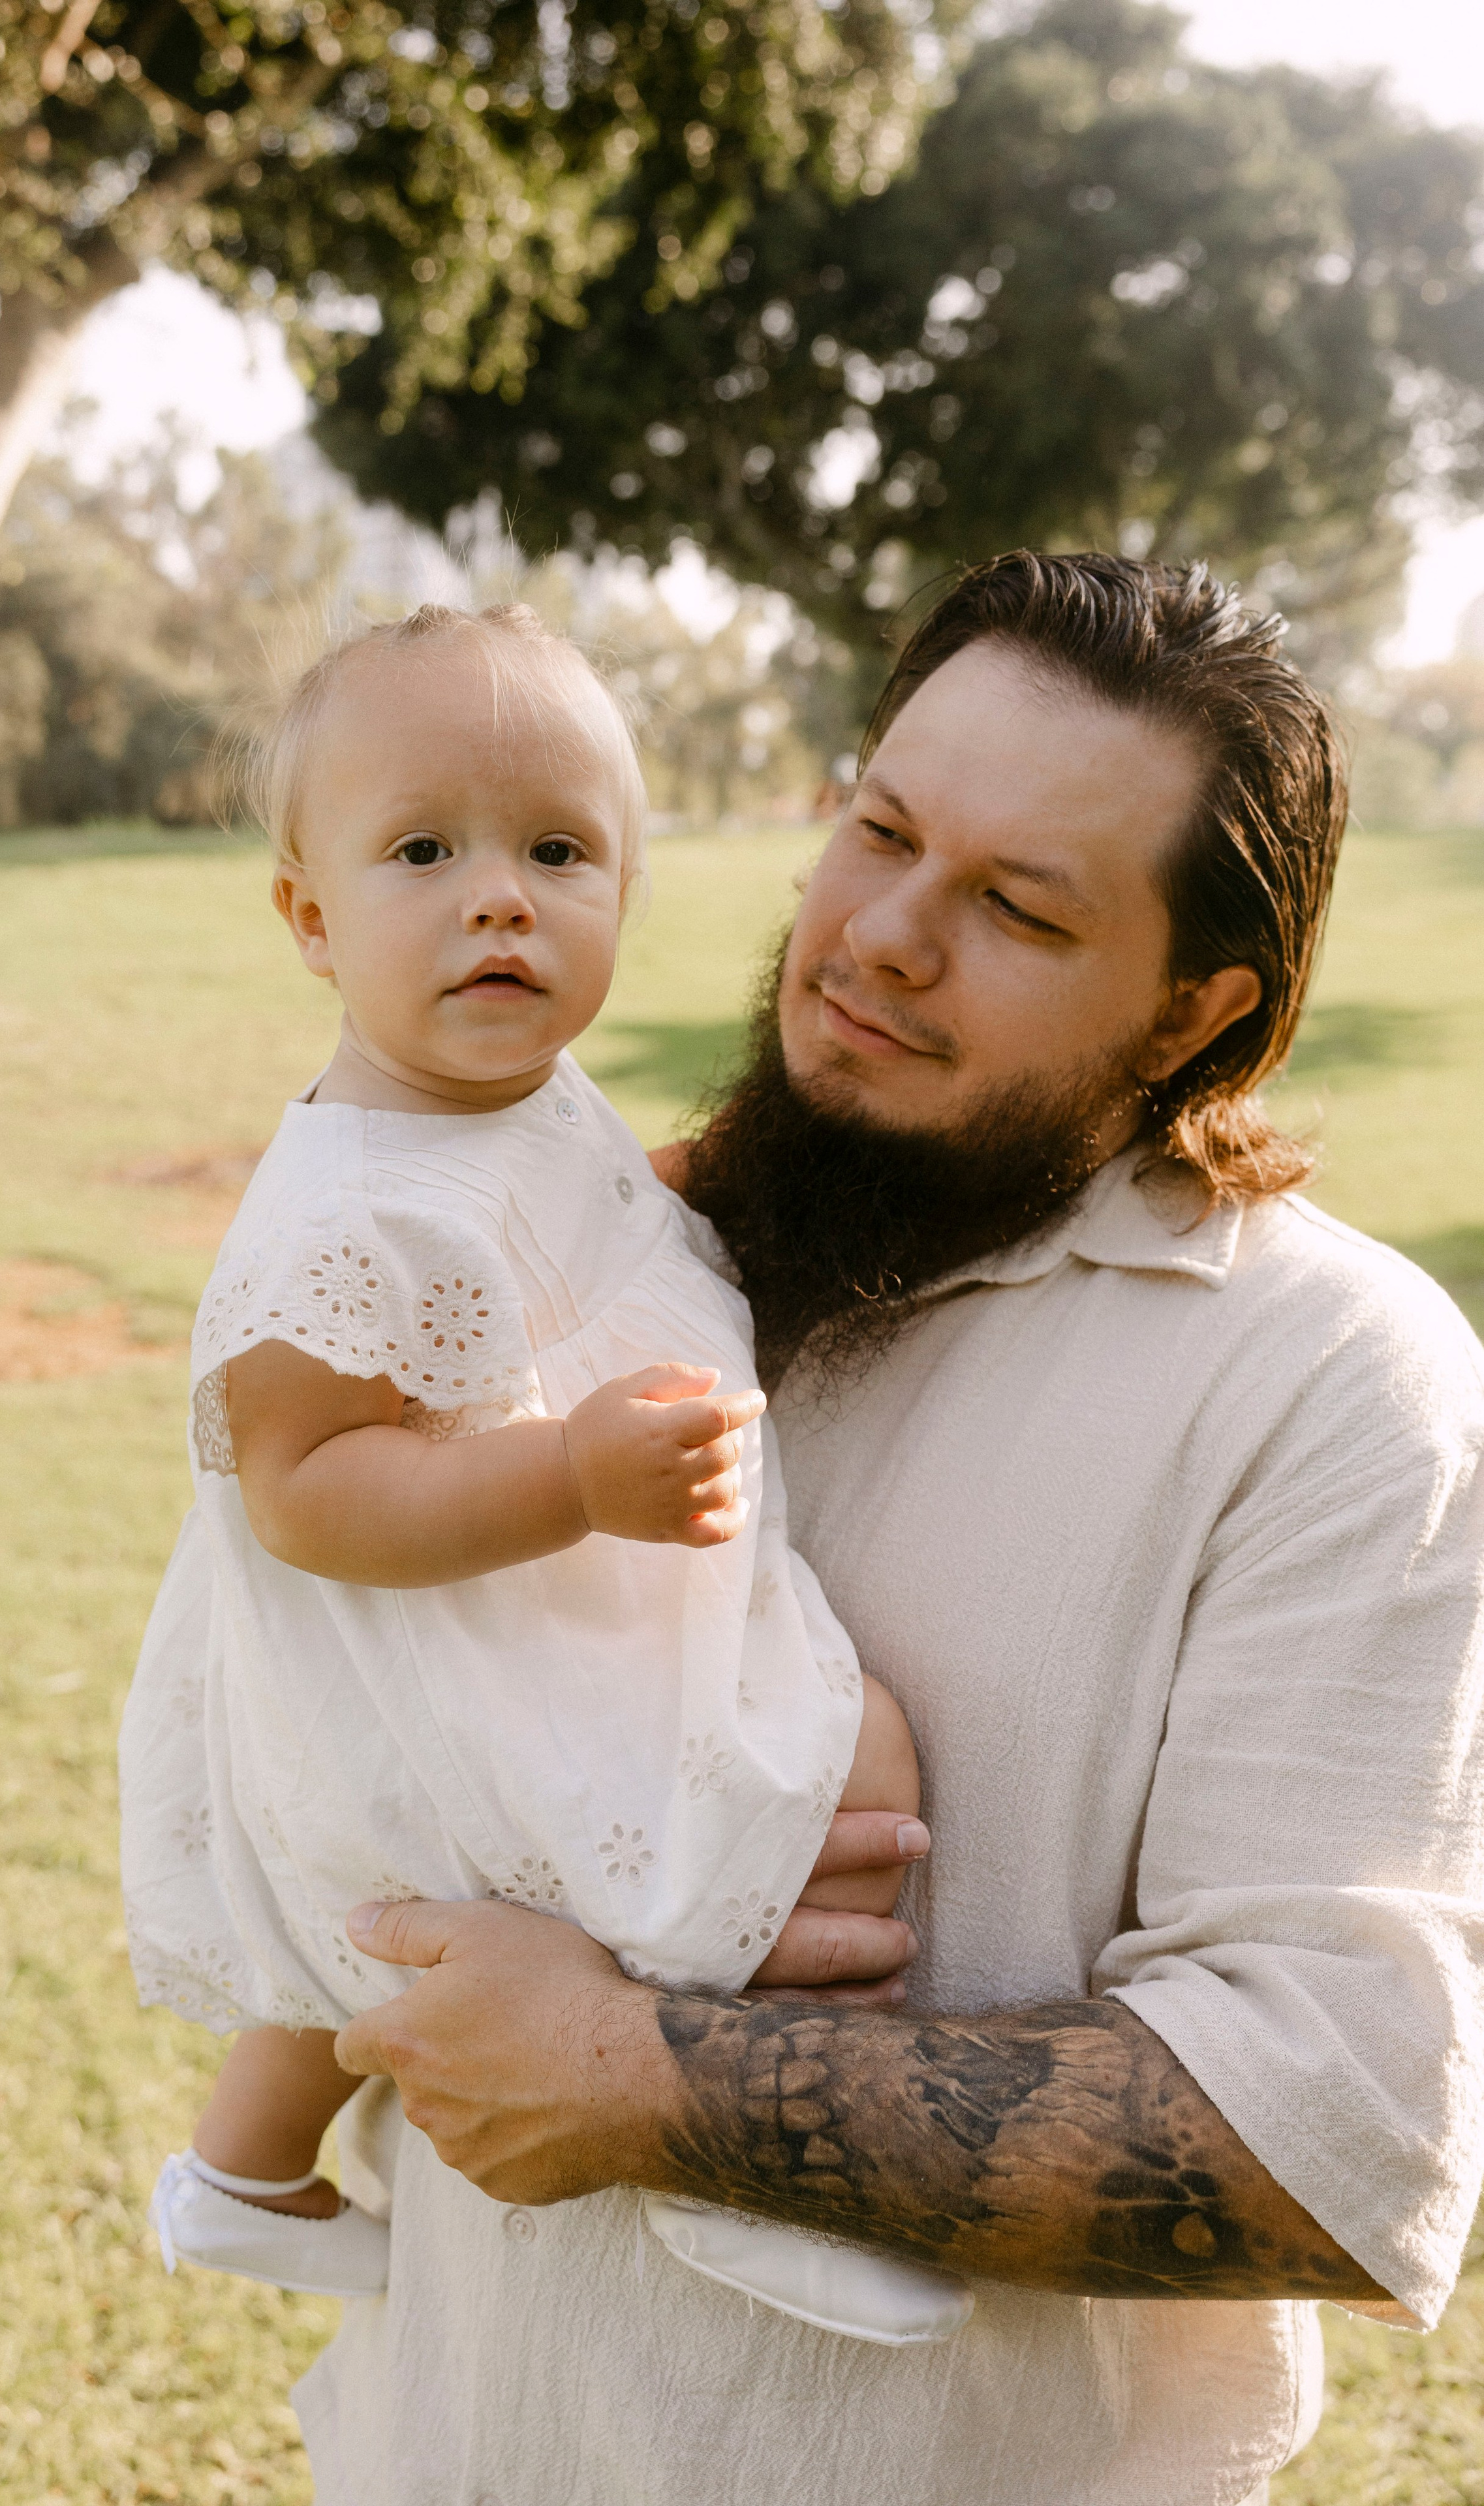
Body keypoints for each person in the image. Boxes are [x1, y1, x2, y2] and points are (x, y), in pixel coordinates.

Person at [294, 555, 1484, 2506]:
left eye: (1017, 906)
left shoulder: (1333, 1385)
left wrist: (632, 2079)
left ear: (1198, 1010)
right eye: (881, 828)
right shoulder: (599, 1238)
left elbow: (1329, 2144)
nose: (885, 937)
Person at [118, 600, 970, 2347]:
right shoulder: (344, 1212)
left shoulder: (521, 1102)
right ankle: (750, 2163)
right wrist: (569, 1475)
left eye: (560, 850)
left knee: (370, 1942)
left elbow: (576, 1222)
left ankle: (245, 2176)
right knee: (845, 1751)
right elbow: (304, 1487)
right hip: (451, 1648)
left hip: (514, 1624)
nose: (500, 894)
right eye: (424, 849)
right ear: (310, 915)